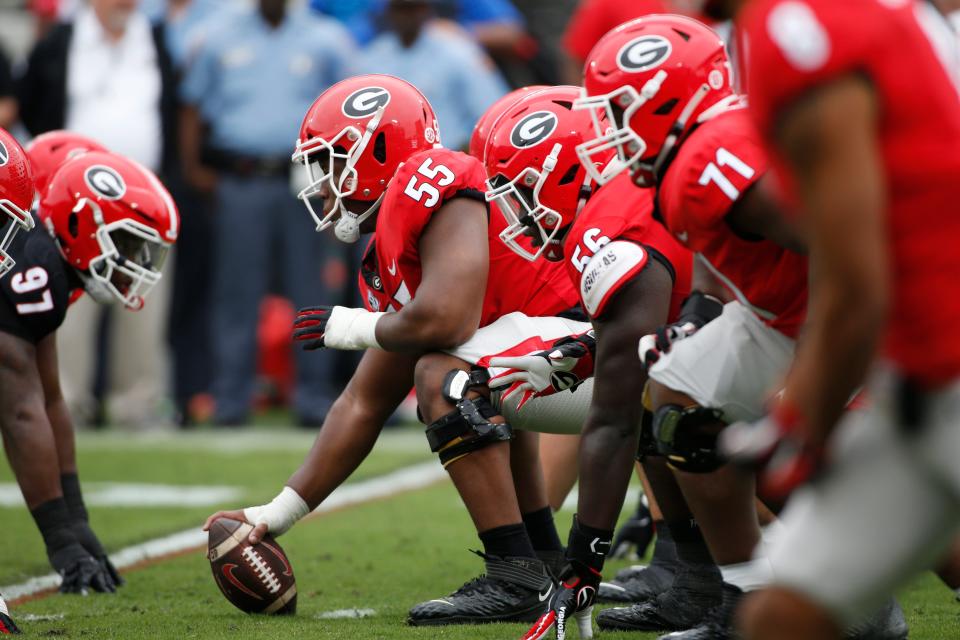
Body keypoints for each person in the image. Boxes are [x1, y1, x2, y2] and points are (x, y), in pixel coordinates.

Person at [206, 75, 594, 626]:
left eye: (333, 160)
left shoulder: (432, 178)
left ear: (377, 151)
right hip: (566, 363)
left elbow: (447, 316)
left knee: (446, 376)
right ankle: (541, 562)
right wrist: (278, 511)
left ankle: (514, 574)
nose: (323, 181)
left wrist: (358, 326)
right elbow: (363, 402)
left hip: (604, 353)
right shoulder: (392, 246)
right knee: (485, 374)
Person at [708, 1, 960, 639]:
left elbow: (855, 278)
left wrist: (803, 422)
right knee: (782, 617)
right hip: (920, 375)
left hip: (947, 363)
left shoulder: (799, 29)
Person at [473, 84, 694, 639]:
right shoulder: (628, 196)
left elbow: (616, 412)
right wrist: (587, 352)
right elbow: (679, 318)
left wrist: (583, 562)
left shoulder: (606, 230)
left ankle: (815, 582)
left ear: (564, 173)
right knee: (666, 396)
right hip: (784, 331)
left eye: (519, 192)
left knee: (686, 419)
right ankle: (702, 583)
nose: (511, 215)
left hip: (812, 351)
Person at [0, 144, 178, 594]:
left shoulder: (41, 264)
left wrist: (75, 524)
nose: (136, 263)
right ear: (82, 226)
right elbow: (21, 412)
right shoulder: (32, 265)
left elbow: (49, 398)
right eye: (129, 243)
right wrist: (61, 542)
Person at [179, 0, 355, 426]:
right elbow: (192, 105)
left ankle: (312, 398)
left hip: (305, 180)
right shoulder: (218, 34)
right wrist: (193, 169)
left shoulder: (324, 37)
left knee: (309, 290)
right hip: (241, 176)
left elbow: (351, 108)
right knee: (236, 293)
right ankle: (230, 400)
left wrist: (338, 179)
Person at [17, 0, 179, 427]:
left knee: (143, 298)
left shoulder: (155, 39)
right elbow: (33, 110)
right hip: (74, 199)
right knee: (68, 300)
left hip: (143, 198)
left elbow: (172, 112)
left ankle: (138, 404)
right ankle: (66, 402)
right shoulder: (60, 41)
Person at [358, 0, 509, 150]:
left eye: (413, 8)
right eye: (400, 8)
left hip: (450, 157)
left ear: (426, 9)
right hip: (391, 159)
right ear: (389, 11)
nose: (406, 16)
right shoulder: (372, 58)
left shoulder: (458, 50)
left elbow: (491, 114)